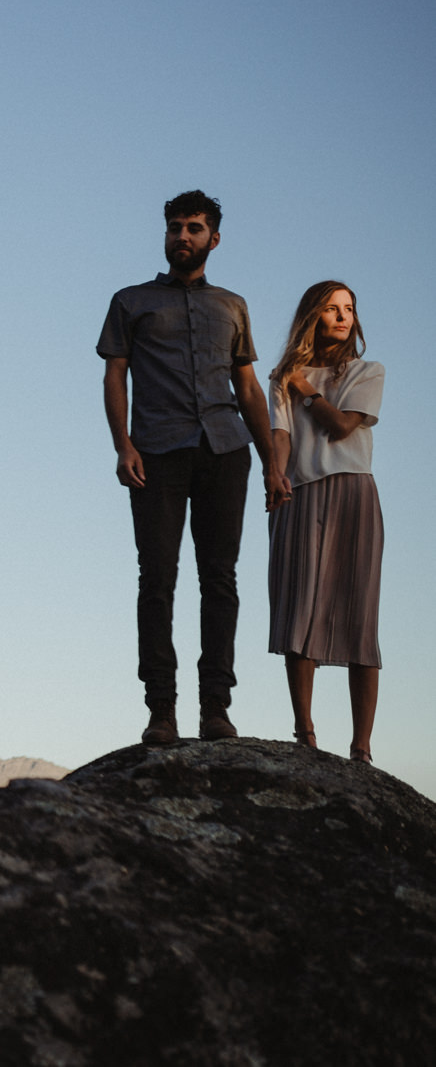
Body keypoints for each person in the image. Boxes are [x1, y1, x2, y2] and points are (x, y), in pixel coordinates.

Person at [98, 191, 290, 745]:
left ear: (214, 239)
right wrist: (123, 445)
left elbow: (248, 387)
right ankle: (161, 710)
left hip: (224, 451)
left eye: (195, 228)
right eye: (175, 227)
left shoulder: (232, 306)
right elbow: (115, 376)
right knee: (157, 579)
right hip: (155, 451)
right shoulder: (130, 301)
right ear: (166, 234)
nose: (183, 236)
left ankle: (216, 709)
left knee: (221, 580)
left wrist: (273, 465)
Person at [265, 281, 384, 762]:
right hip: (300, 493)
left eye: (349, 309)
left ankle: (361, 748)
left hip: (354, 492)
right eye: (332, 308)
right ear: (313, 315)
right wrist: (274, 471)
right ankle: (305, 734)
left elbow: (340, 427)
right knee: (299, 610)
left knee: (359, 613)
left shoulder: (367, 371)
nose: (342, 316)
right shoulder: (285, 377)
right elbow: (280, 435)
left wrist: (306, 390)